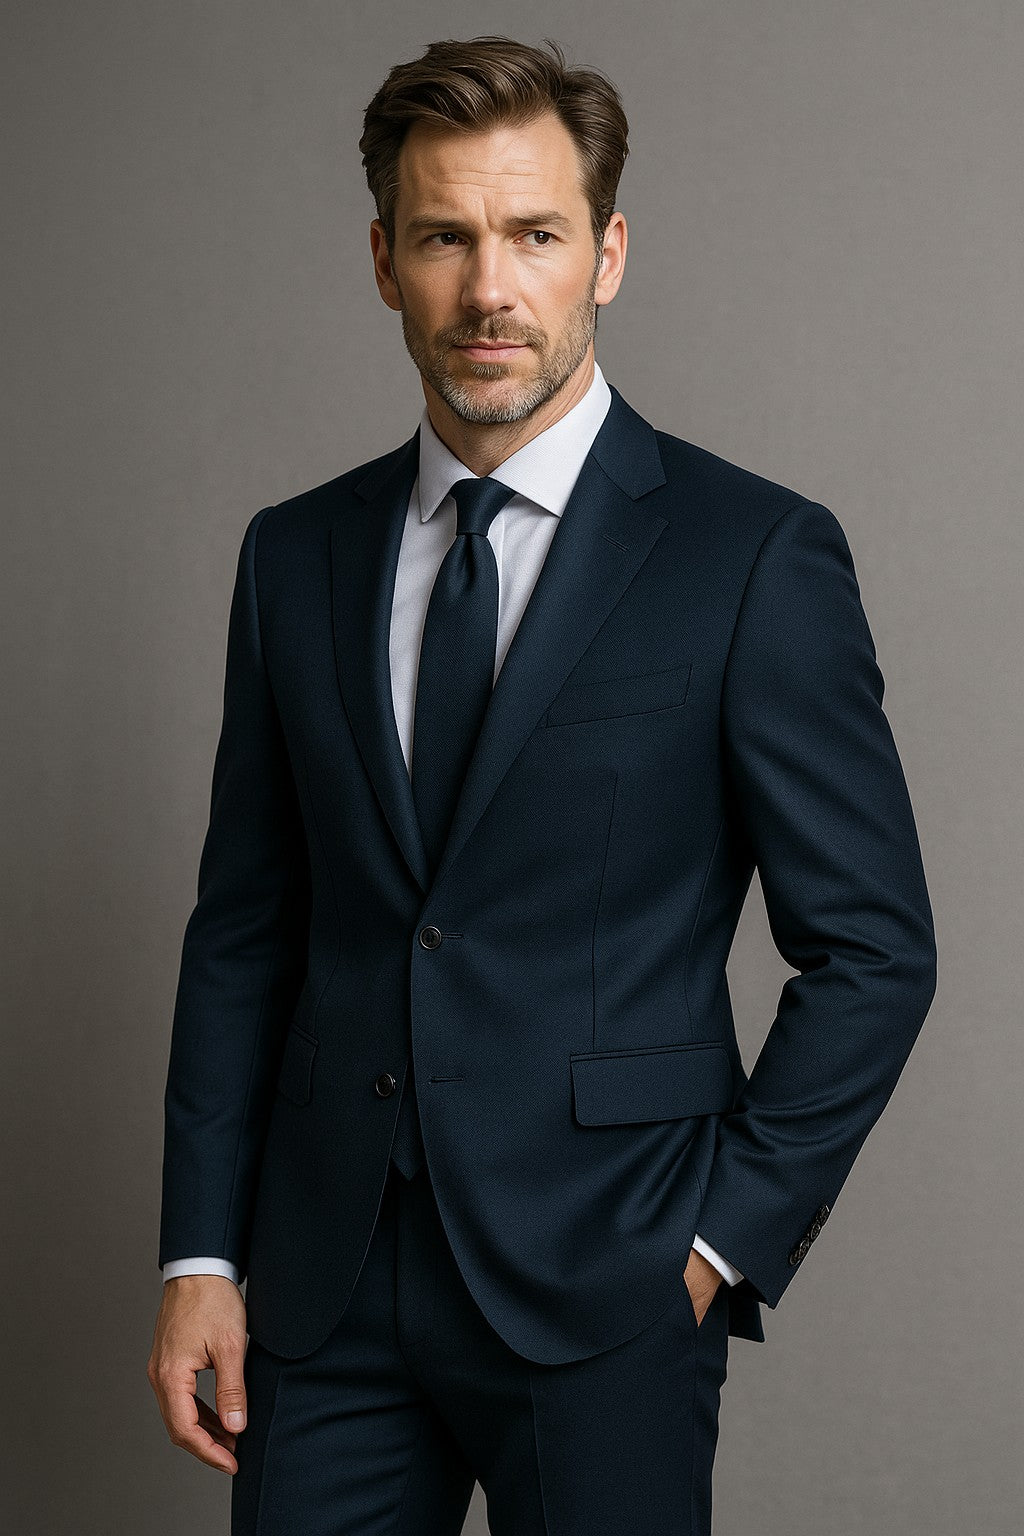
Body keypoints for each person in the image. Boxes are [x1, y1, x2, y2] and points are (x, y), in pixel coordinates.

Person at [147, 36, 937, 1536]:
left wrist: (717, 1243)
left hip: (612, 1281)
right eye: (445, 237)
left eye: (534, 235)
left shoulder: (749, 555)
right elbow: (247, 927)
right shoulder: (294, 555)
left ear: (608, 254)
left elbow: (878, 948)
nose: (489, 288)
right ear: (385, 261)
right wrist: (200, 1256)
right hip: (322, 1290)